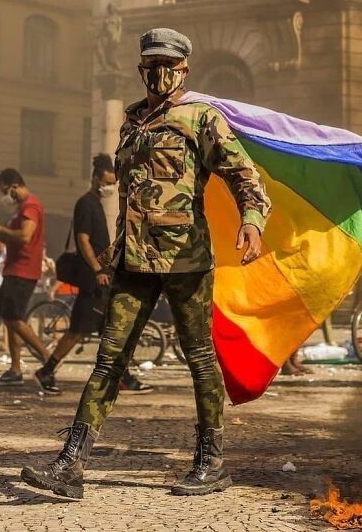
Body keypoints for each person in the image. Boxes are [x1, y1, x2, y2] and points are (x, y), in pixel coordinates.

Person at [21, 27, 271, 500]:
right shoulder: (131, 122)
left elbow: (245, 177)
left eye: (165, 66)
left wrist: (252, 222)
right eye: (149, 66)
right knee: (108, 361)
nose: (157, 74)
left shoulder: (202, 119)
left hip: (186, 261)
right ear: (140, 71)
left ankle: (211, 462)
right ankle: (71, 465)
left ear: (182, 70)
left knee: (199, 360)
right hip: (133, 261)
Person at [34, 153, 152, 396]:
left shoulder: (95, 203)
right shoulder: (86, 203)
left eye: (112, 183)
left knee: (113, 329)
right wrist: (97, 269)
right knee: (77, 330)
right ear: (96, 179)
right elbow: (82, 239)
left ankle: (123, 377)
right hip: (93, 280)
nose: (110, 187)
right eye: (107, 183)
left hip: (101, 279)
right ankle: (46, 370)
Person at [0, 169, 52, 384]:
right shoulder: (20, 208)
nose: (6, 196)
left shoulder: (30, 206)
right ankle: (15, 369)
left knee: (14, 318)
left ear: (14, 185)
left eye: (6, 190)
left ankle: (49, 360)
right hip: (13, 269)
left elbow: (25, 236)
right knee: (9, 318)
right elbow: (12, 237)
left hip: (23, 269)